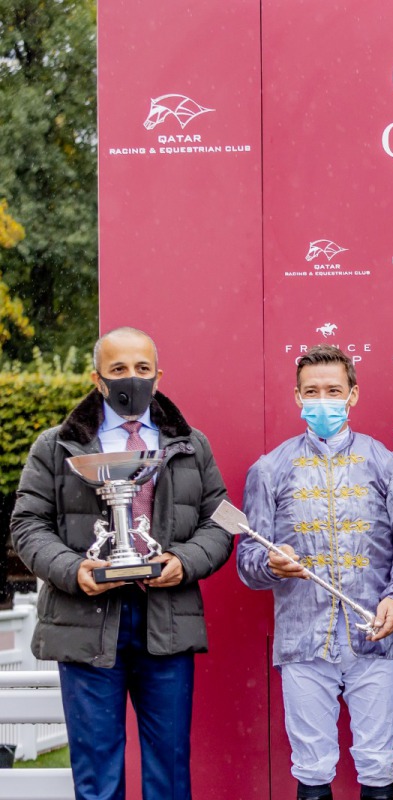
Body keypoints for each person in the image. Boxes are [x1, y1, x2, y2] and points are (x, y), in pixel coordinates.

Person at [11, 326, 232, 800]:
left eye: (142, 368)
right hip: (84, 621)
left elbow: (220, 525)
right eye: (118, 369)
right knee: (97, 777)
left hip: (166, 620)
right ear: (97, 378)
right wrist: (73, 570)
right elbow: (27, 526)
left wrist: (184, 561)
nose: (131, 377)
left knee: (169, 773)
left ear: (158, 376)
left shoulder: (192, 445)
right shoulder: (55, 446)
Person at [237, 345, 393, 800]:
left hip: (374, 637)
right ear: (297, 397)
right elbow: (247, 560)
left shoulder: (386, 465)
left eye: (333, 391)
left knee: (379, 761)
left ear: (352, 395)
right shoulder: (269, 470)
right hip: (302, 641)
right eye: (312, 391)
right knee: (312, 766)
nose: (323, 400)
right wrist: (271, 565)